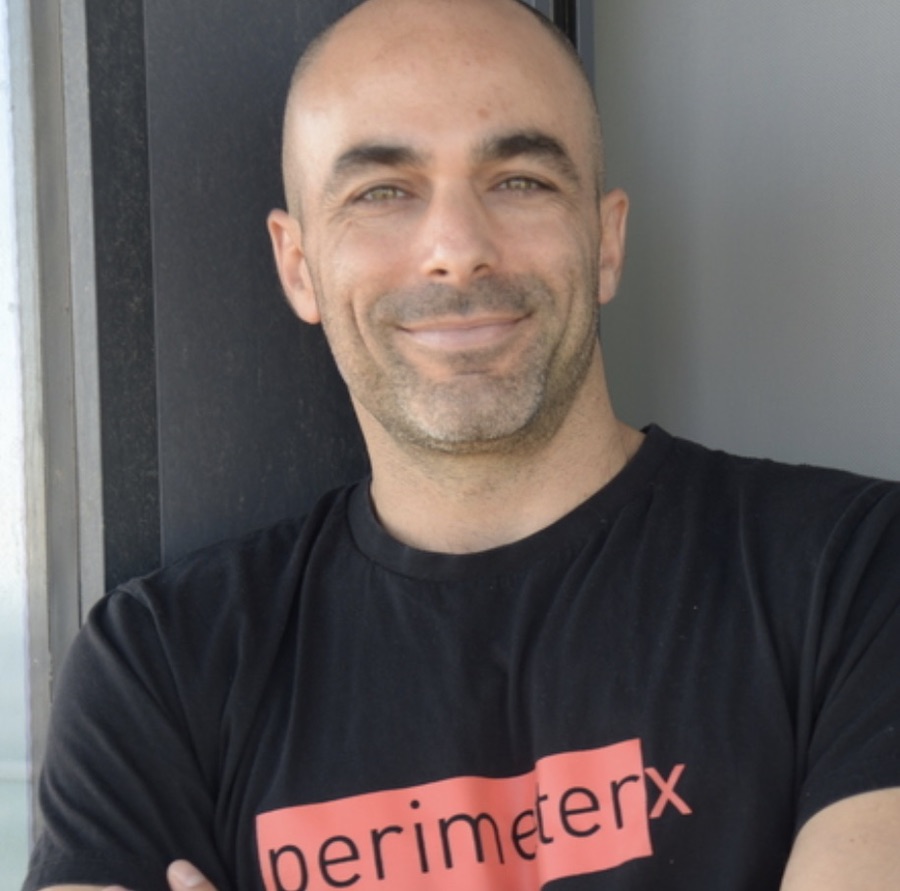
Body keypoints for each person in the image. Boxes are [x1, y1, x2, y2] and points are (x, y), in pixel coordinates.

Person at [23, 0, 900, 889]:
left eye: (519, 180)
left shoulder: (862, 577)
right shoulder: (159, 667)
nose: (456, 249)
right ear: (298, 266)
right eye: (381, 191)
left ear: (606, 240)